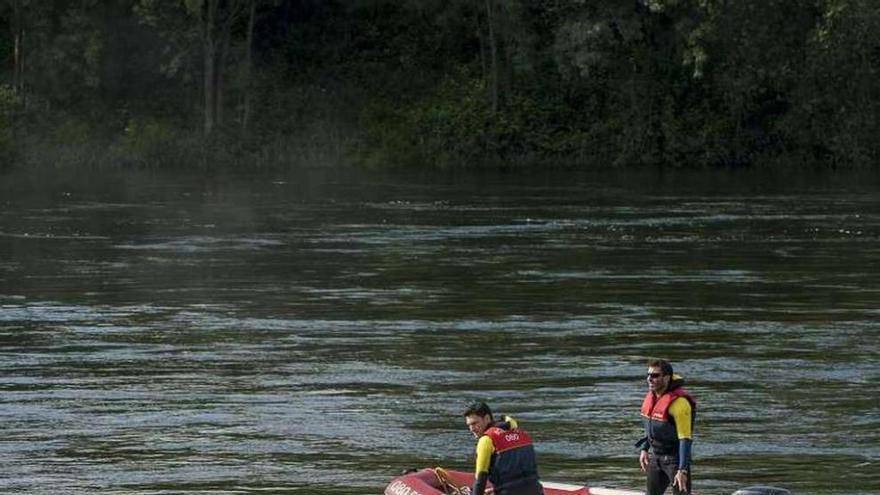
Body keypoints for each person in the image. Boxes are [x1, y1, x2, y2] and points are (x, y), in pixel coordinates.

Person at [637, 359, 697, 495]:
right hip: (656, 457)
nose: (649, 379)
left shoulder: (680, 404)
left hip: (675, 460)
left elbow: (685, 439)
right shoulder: (652, 397)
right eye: (648, 375)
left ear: (667, 378)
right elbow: (653, 428)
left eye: (655, 375)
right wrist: (644, 448)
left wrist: (682, 470)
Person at [463, 401, 543, 495]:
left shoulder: (486, 440)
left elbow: (480, 479)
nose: (471, 429)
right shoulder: (522, 434)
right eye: (469, 425)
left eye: (475, 423)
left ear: (487, 418)